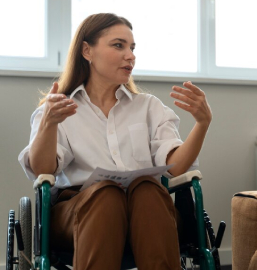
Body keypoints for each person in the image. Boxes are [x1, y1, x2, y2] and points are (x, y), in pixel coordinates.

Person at [18, 13, 212, 269]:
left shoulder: (149, 107)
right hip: (78, 209)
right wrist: (49, 124)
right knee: (106, 195)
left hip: (145, 208)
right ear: (87, 50)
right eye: (118, 45)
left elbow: (175, 168)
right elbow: (43, 169)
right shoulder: (56, 110)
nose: (130, 55)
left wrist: (202, 123)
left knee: (147, 189)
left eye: (132, 48)